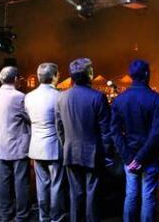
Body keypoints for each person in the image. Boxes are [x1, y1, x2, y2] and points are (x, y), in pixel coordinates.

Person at [56, 58, 112, 222]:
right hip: (92, 153)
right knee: (92, 193)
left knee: (75, 193)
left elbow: (59, 128)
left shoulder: (61, 97)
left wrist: (65, 145)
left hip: (70, 151)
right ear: (89, 75)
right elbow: (105, 131)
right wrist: (108, 154)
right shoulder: (98, 97)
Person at [111, 59, 159, 222]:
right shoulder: (155, 98)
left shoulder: (120, 100)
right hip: (149, 156)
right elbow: (155, 133)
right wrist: (140, 158)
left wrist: (129, 158)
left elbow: (114, 132)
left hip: (130, 156)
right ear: (147, 74)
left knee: (131, 195)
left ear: (131, 76)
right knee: (148, 197)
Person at [25, 63, 67, 221]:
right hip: (55, 147)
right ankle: (56, 217)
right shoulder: (60, 96)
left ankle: (44, 217)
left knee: (41, 185)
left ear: (38, 77)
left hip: (36, 147)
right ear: (55, 76)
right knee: (56, 184)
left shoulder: (29, 97)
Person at [0, 66, 31, 222]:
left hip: (1, 145)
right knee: (21, 181)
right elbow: (29, 117)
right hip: (19, 145)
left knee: (4, 181)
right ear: (15, 79)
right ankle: (21, 215)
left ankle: (5, 214)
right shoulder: (19, 96)